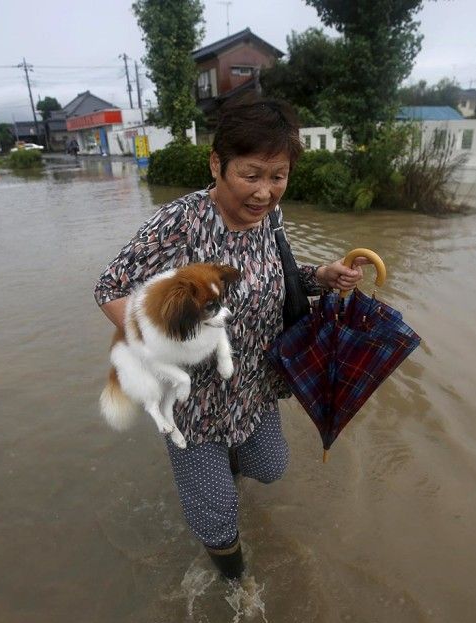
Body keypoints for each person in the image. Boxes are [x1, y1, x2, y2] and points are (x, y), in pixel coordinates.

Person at [94, 94, 366, 579]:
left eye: (277, 176)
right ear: (217, 163)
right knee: (216, 519)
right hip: (194, 401)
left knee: (272, 466)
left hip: (254, 387)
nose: (265, 192)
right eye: (252, 175)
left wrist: (320, 276)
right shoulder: (181, 222)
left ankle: (225, 466)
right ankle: (234, 584)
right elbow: (110, 288)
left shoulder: (272, 220)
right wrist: (160, 342)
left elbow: (276, 279)